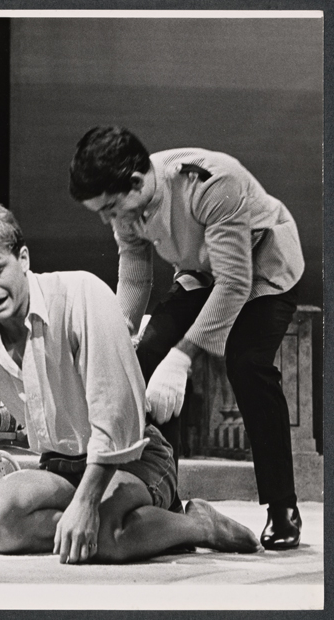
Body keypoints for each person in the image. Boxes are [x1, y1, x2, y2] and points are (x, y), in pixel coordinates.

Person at [0, 198, 262, 563]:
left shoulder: (80, 294)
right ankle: (121, 528)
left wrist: (87, 505)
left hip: (132, 457)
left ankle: (198, 524)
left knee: (104, 537)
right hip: (59, 465)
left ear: (24, 259)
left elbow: (115, 418)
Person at [68, 126, 305, 550]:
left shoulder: (213, 183)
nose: (108, 219)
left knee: (247, 364)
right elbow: (136, 277)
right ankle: (168, 500)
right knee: (146, 355)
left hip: (264, 271)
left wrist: (183, 359)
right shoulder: (126, 203)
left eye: (108, 208)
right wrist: (119, 335)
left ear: (137, 183)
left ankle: (282, 507)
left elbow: (235, 284)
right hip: (203, 271)